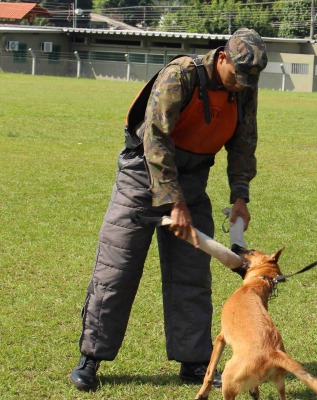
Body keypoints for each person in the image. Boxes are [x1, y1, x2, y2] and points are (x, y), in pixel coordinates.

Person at [69, 28, 268, 392]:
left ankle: (194, 361)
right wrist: (173, 202)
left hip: (193, 181)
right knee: (118, 268)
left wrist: (240, 195)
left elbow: (244, 143)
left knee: (192, 275)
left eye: (248, 81)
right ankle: (91, 358)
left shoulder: (244, 89)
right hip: (141, 177)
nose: (241, 86)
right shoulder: (181, 74)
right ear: (221, 57)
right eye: (236, 77)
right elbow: (155, 139)